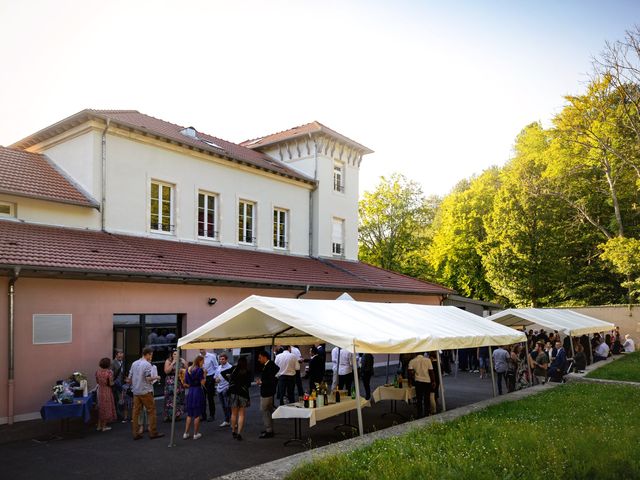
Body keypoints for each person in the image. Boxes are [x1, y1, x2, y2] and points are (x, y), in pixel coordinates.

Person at [129, 347, 164, 440]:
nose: (151, 357)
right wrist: (157, 377)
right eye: (151, 355)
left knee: (136, 412)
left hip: (136, 391)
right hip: (145, 390)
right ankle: (153, 432)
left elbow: (130, 377)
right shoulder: (147, 365)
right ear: (147, 354)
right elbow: (148, 378)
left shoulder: (134, 363)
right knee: (151, 411)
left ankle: (135, 433)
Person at [223, 356, 251, 441]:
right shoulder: (247, 371)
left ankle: (233, 431)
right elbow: (248, 384)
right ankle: (239, 433)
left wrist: (230, 380)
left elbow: (223, 373)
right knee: (241, 414)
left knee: (233, 414)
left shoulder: (234, 369)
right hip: (243, 394)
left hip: (233, 393)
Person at [256, 350, 279, 439]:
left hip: (266, 392)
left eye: (260, 357)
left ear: (265, 357)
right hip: (269, 391)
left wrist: (262, 382)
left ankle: (269, 430)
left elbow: (271, 379)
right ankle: (270, 429)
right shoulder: (270, 365)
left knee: (265, 410)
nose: (259, 359)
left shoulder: (269, 365)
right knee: (268, 411)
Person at [183, 355, 206, 440]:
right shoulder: (200, 370)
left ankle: (186, 433)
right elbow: (203, 383)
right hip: (197, 391)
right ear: (199, 361)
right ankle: (195, 434)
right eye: (203, 361)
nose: (203, 363)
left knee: (189, 414)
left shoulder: (188, 369)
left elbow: (185, 383)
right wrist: (205, 374)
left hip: (190, 391)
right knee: (197, 414)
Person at [408, 352, 434, 418]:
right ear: (423, 353)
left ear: (415, 354)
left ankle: (419, 414)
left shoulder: (412, 361)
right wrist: (433, 381)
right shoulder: (428, 360)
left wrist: (410, 382)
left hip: (418, 381)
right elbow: (431, 372)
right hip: (427, 381)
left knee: (419, 399)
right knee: (427, 398)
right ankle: (427, 413)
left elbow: (410, 373)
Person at [163, 349, 185, 422]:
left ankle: (177, 415)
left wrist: (185, 363)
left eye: (177, 354)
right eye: (174, 354)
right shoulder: (168, 361)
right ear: (172, 355)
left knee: (178, 398)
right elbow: (166, 371)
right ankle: (169, 416)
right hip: (171, 381)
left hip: (179, 381)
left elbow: (187, 370)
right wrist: (173, 363)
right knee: (170, 399)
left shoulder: (181, 361)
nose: (176, 355)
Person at [96, 357, 117, 432]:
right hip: (107, 390)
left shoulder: (97, 372)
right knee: (106, 408)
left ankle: (99, 426)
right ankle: (104, 426)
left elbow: (97, 382)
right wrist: (114, 383)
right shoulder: (109, 372)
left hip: (100, 390)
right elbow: (111, 383)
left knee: (101, 407)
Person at [199, 348, 218, 422]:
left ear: (205, 349)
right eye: (200, 349)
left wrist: (214, 377)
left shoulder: (212, 356)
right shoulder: (199, 356)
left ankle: (212, 415)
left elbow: (216, 367)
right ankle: (203, 415)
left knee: (210, 398)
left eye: (202, 349)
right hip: (202, 378)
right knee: (202, 398)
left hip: (210, 377)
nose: (201, 351)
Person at [214, 353, 233, 427]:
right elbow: (215, 377)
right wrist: (216, 380)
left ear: (226, 359)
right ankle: (226, 420)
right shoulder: (218, 367)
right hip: (219, 388)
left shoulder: (230, 367)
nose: (221, 360)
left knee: (228, 405)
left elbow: (232, 379)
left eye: (223, 359)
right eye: (220, 359)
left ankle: (232, 421)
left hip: (226, 388)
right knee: (223, 406)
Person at [111, 350, 125, 421]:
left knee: (120, 398)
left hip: (121, 383)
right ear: (116, 355)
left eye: (122, 355)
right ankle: (117, 415)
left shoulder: (122, 362)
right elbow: (111, 375)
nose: (121, 357)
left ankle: (119, 414)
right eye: (119, 355)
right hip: (116, 384)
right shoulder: (113, 363)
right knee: (116, 398)